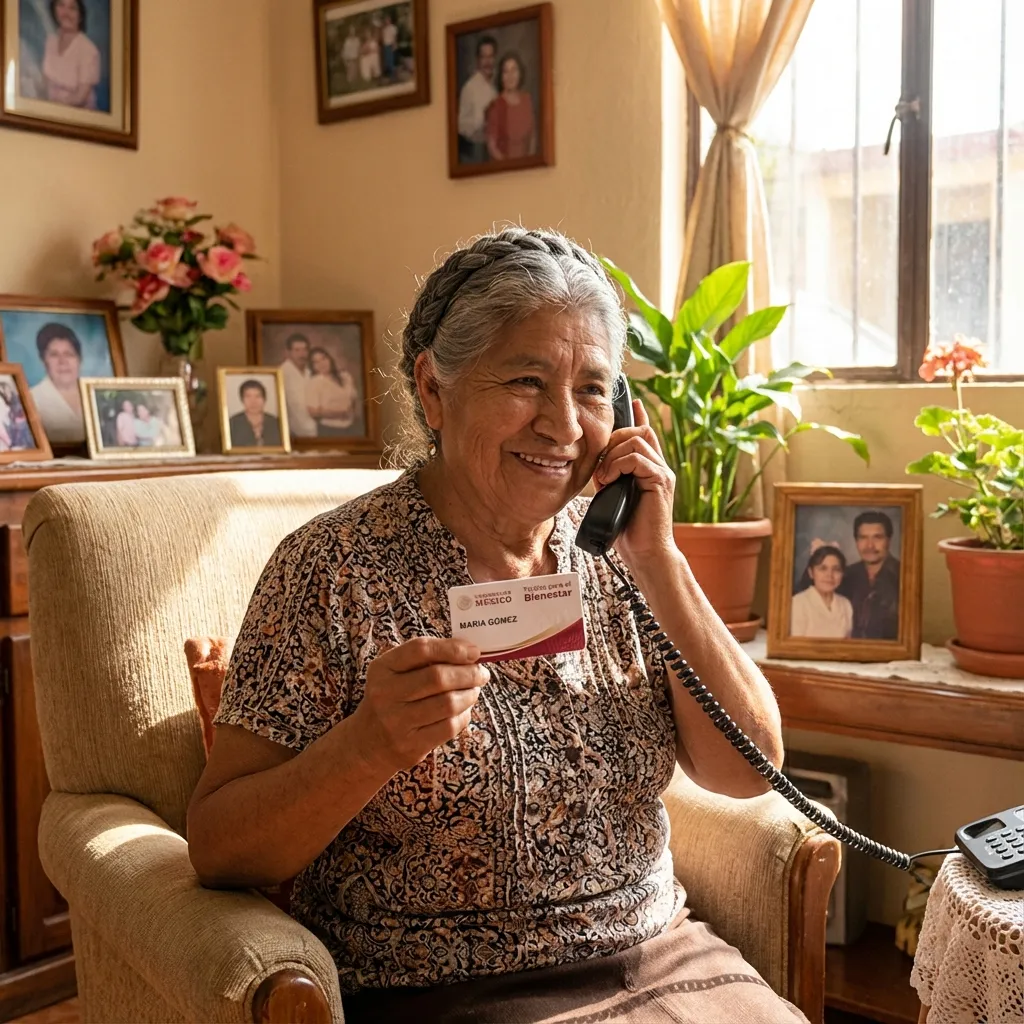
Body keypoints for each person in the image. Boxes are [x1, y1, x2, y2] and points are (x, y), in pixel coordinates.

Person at [187, 228, 805, 1024]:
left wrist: (660, 560)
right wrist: (368, 744)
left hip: (658, 958)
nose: (562, 425)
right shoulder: (331, 569)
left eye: (591, 389)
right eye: (525, 380)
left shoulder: (622, 555)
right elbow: (218, 844)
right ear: (434, 391)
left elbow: (749, 770)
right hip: (445, 991)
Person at [837, 511, 901, 640]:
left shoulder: (904, 575)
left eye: (877, 537)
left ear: (889, 540)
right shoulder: (845, 575)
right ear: (856, 541)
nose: (870, 545)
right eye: (863, 537)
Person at [29, 322, 86, 444]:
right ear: (43, 360)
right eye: (54, 355)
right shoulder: (30, 399)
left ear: (79, 359)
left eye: (69, 354)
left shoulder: (95, 392)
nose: (62, 361)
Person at [41, 0, 101, 110]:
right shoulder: (51, 41)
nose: (66, 13)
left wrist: (53, 107)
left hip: (76, 118)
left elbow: (80, 98)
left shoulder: (88, 50)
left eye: (72, 8)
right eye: (61, 5)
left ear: (81, 15)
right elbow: (45, 82)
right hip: (49, 112)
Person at [790, 543, 853, 638]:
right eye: (823, 569)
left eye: (836, 570)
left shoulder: (845, 604)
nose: (829, 575)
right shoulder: (798, 603)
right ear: (811, 573)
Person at [486, 54, 536, 161]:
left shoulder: (527, 100)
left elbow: (532, 137)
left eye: (514, 70)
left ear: (520, 73)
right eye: (506, 71)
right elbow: (492, 146)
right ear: (501, 76)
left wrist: (528, 163)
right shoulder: (495, 106)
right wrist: (510, 167)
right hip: (504, 170)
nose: (510, 76)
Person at [457, 36, 498, 164]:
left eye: (490, 56)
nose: (488, 61)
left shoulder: (493, 88)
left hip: (488, 149)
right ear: (477, 60)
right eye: (484, 57)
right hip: (474, 153)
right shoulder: (471, 87)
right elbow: (462, 126)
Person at [306, 348, 359, 436]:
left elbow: (352, 399)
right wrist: (340, 414)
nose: (321, 364)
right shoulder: (315, 382)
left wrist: (350, 412)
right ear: (312, 366)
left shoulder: (345, 376)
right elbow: (313, 412)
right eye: (316, 362)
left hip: (351, 427)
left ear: (330, 359)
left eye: (323, 358)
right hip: (330, 430)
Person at [278, 333, 317, 438]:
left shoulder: (310, 372)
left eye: (304, 350)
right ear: (288, 352)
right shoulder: (281, 373)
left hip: (315, 429)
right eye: (297, 350)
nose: (302, 354)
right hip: (294, 433)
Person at [229, 379, 282, 448]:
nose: (253, 401)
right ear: (242, 399)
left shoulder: (276, 422)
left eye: (258, 396)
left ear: (264, 399)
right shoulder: (232, 423)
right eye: (248, 396)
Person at [380, 15, 398, 81]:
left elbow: (394, 37)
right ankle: (388, 75)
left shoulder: (393, 28)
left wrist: (394, 44)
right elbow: (382, 38)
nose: (387, 21)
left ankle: (393, 75)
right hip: (385, 46)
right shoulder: (384, 29)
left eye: (388, 20)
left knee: (391, 60)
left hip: (390, 45)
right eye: (386, 20)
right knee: (387, 60)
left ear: (390, 20)